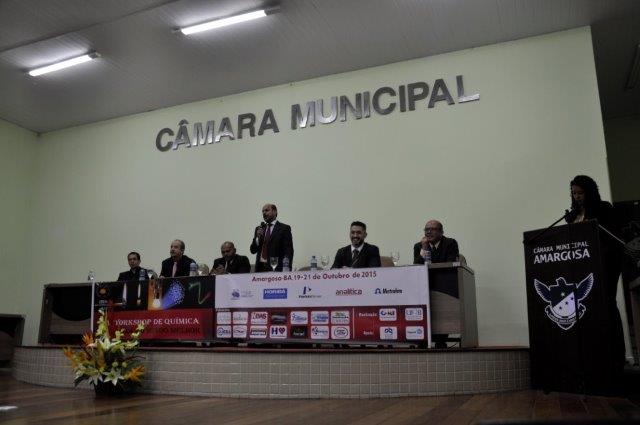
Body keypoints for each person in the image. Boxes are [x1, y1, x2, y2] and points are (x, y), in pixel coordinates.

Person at [566, 175, 625, 378]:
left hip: (605, 265)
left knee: (606, 305)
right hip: (582, 270)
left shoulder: (604, 209)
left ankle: (615, 358)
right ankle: (591, 358)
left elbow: (614, 240)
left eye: (580, 192)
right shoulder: (572, 216)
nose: (577, 196)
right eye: (574, 193)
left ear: (589, 192)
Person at [250, 204, 294, 272]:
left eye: (267, 210)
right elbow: (253, 250)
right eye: (263, 211)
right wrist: (257, 238)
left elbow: (288, 250)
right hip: (260, 269)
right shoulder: (259, 229)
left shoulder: (284, 228)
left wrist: (287, 268)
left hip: (276, 268)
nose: (264, 213)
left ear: (275, 211)